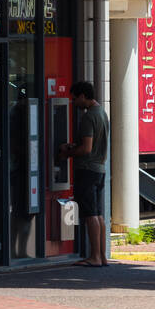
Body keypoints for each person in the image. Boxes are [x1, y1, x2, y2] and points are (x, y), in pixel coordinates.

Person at [57, 81, 110, 267]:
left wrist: (67, 153)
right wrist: (74, 146)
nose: (73, 102)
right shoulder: (102, 113)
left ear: (82, 96)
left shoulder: (88, 117)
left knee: (89, 214)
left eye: (75, 98)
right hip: (100, 169)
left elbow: (86, 148)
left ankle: (94, 256)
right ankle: (102, 256)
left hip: (87, 169)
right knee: (99, 214)